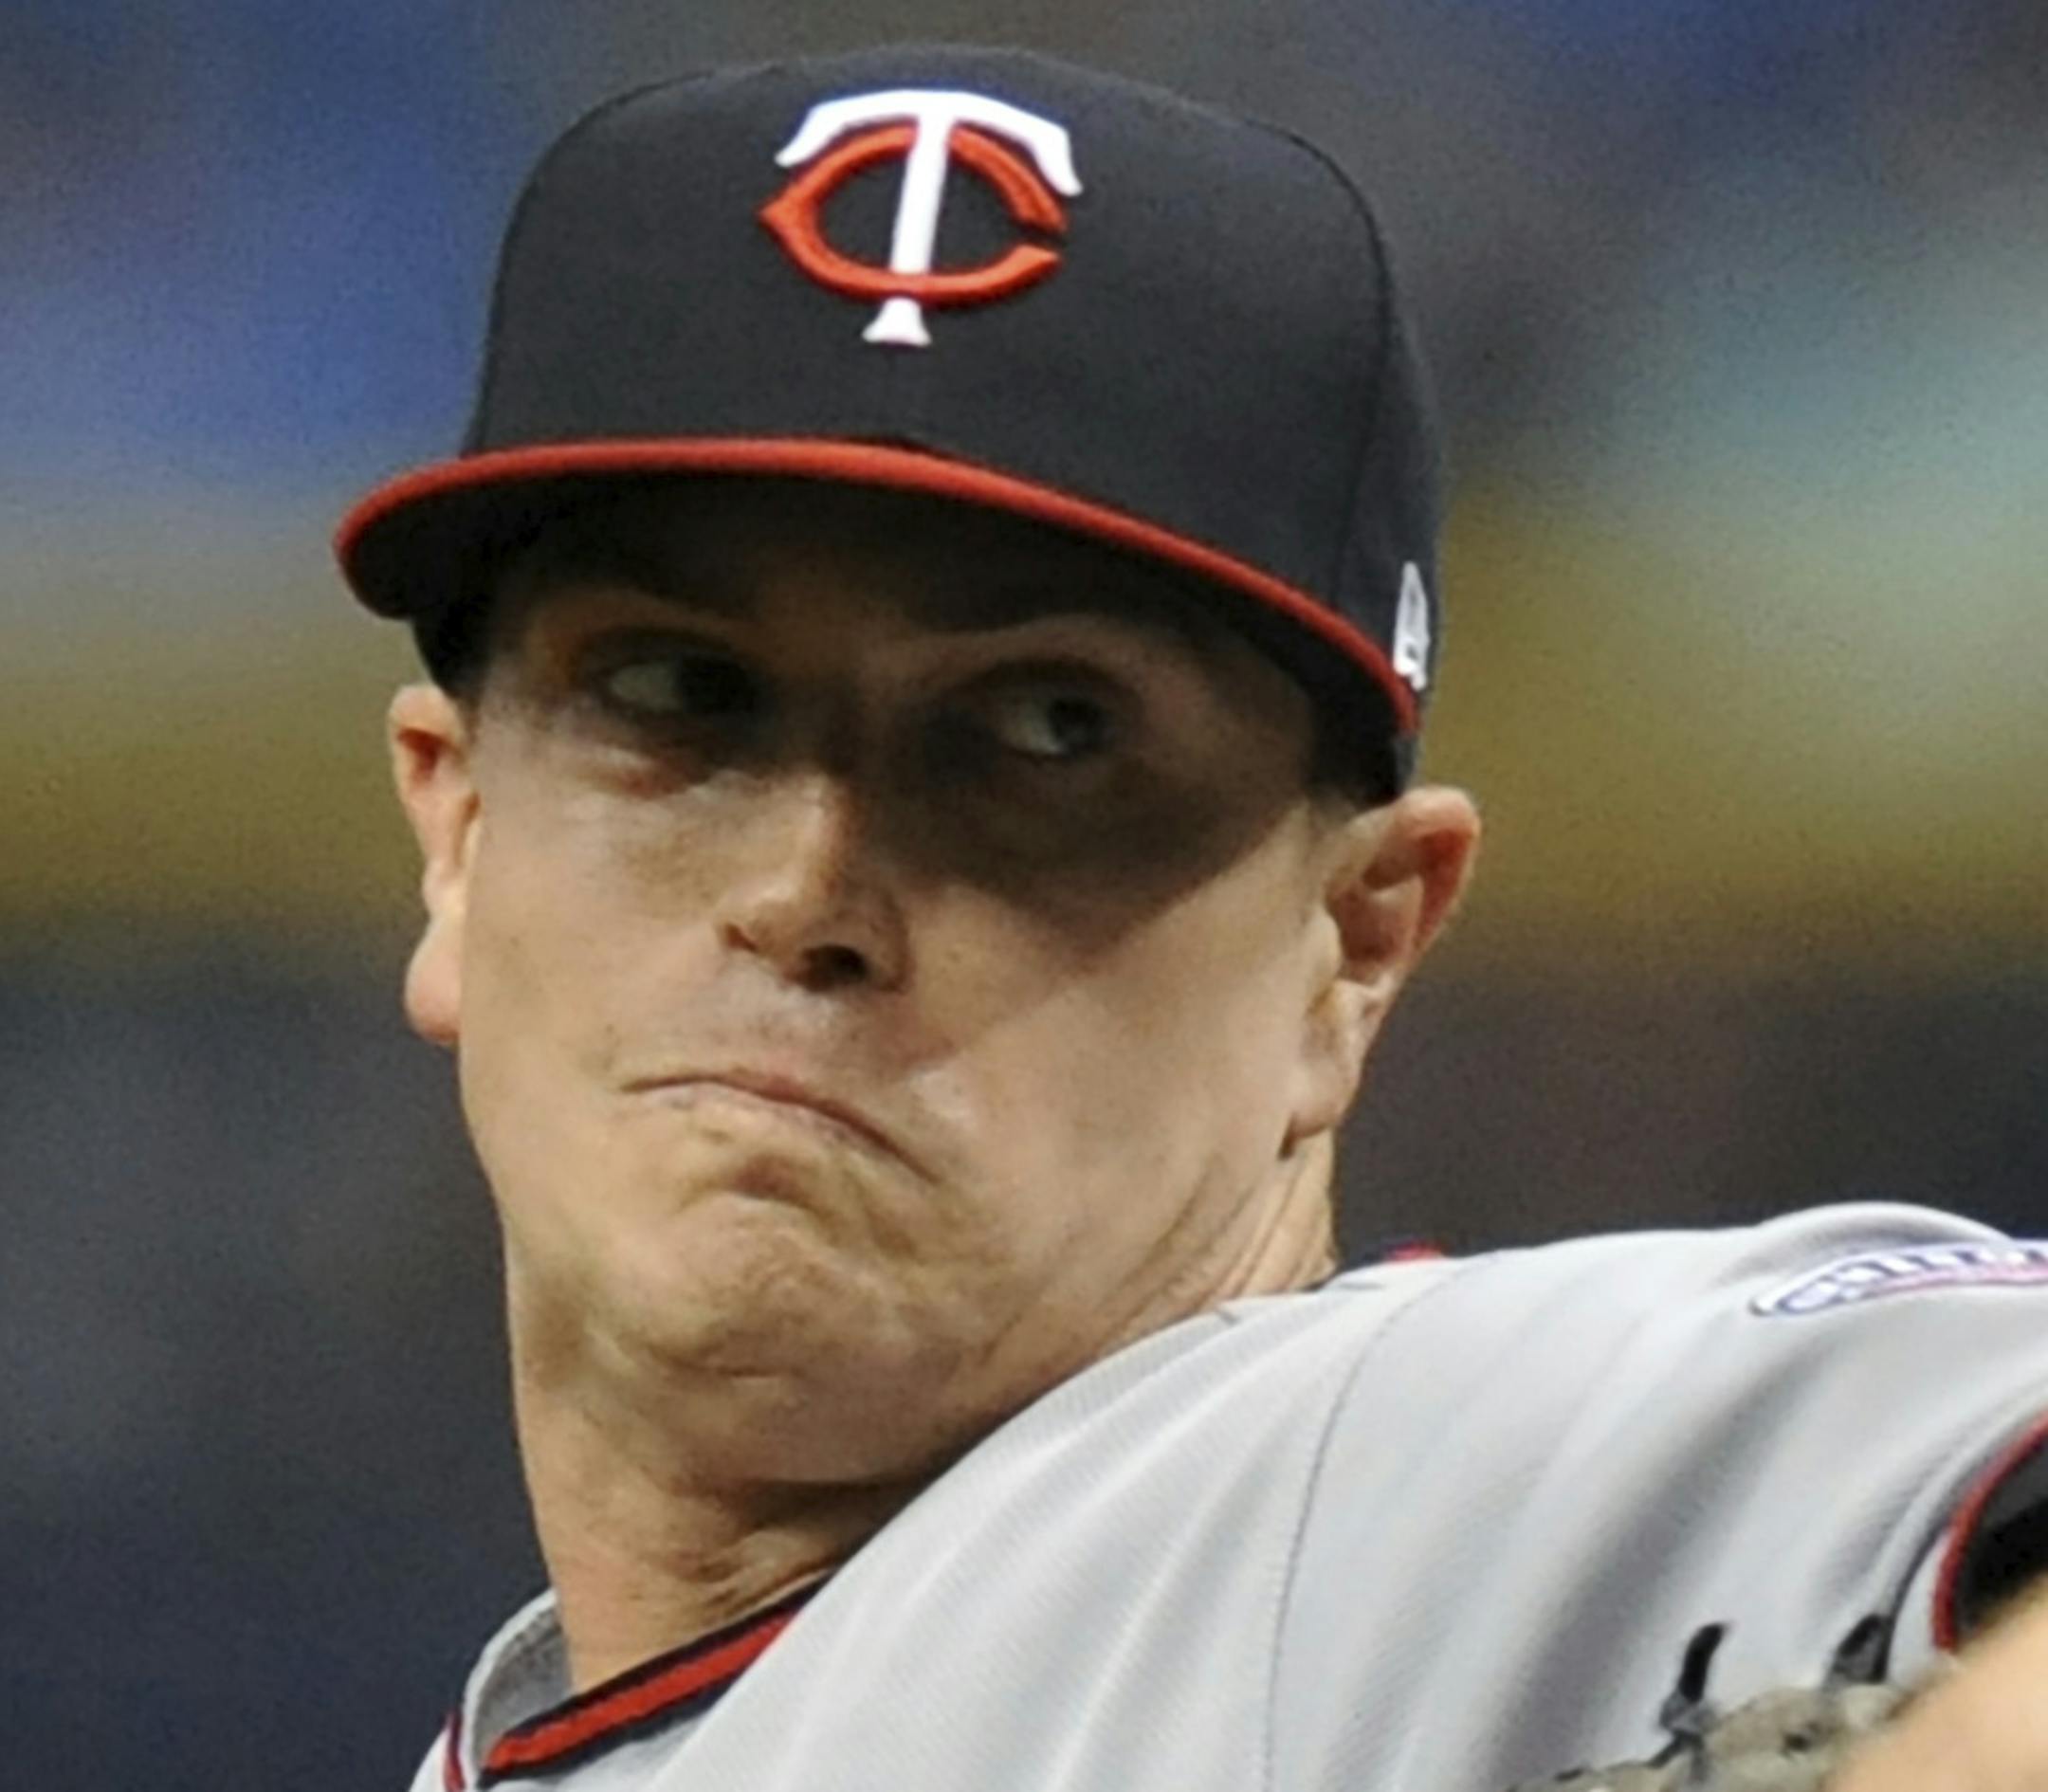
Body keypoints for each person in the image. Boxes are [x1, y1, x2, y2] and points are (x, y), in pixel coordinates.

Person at [334, 42, 2048, 1792]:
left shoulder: (1432, 1477)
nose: (803, 894)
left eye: (1045, 730)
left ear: (1355, 945)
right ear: (456, 831)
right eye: (679, 690)